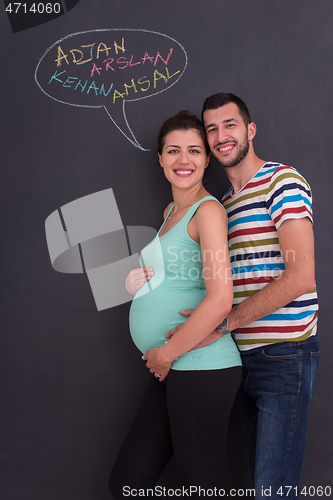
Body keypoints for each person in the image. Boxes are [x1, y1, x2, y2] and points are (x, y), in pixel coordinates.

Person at [163, 94, 320, 500]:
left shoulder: (280, 181)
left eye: (229, 125)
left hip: (283, 355)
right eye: (211, 128)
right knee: (259, 483)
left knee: (273, 489)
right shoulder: (224, 205)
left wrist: (224, 321)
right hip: (239, 360)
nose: (221, 136)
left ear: (250, 130)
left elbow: (301, 275)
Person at [108, 111, 242, 499]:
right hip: (174, 365)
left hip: (201, 365)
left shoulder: (209, 211)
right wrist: (136, 282)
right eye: (173, 151)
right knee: (128, 484)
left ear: (206, 159)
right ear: (161, 160)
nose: (184, 160)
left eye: (194, 151)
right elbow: (177, 277)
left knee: (202, 489)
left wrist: (166, 353)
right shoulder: (170, 213)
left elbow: (220, 299)